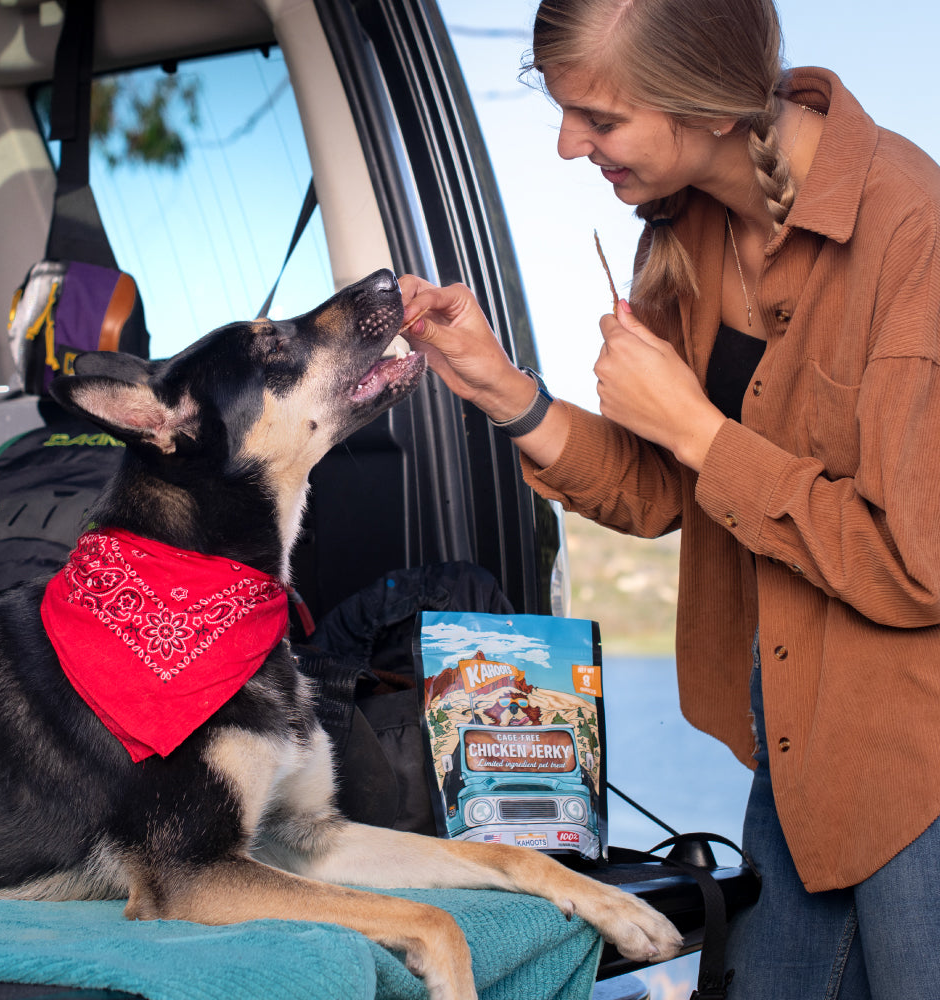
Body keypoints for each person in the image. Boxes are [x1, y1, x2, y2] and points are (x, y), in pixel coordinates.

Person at [398, 0, 940, 996]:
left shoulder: (913, 234)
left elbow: (917, 566)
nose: (568, 145)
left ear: (711, 107)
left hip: (917, 771)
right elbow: (659, 493)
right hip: (792, 748)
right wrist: (500, 388)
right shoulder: (686, 228)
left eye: (597, 118)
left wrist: (696, 425)